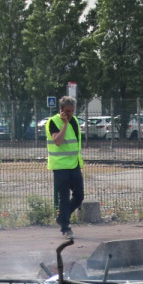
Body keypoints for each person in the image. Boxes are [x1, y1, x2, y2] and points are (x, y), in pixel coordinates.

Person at [45, 95, 84, 238]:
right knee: (64, 197)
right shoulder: (53, 122)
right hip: (60, 166)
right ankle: (65, 227)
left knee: (79, 196)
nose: (70, 114)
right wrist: (64, 124)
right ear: (61, 110)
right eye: (67, 111)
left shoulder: (75, 121)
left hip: (74, 164)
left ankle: (62, 217)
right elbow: (58, 141)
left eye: (72, 111)